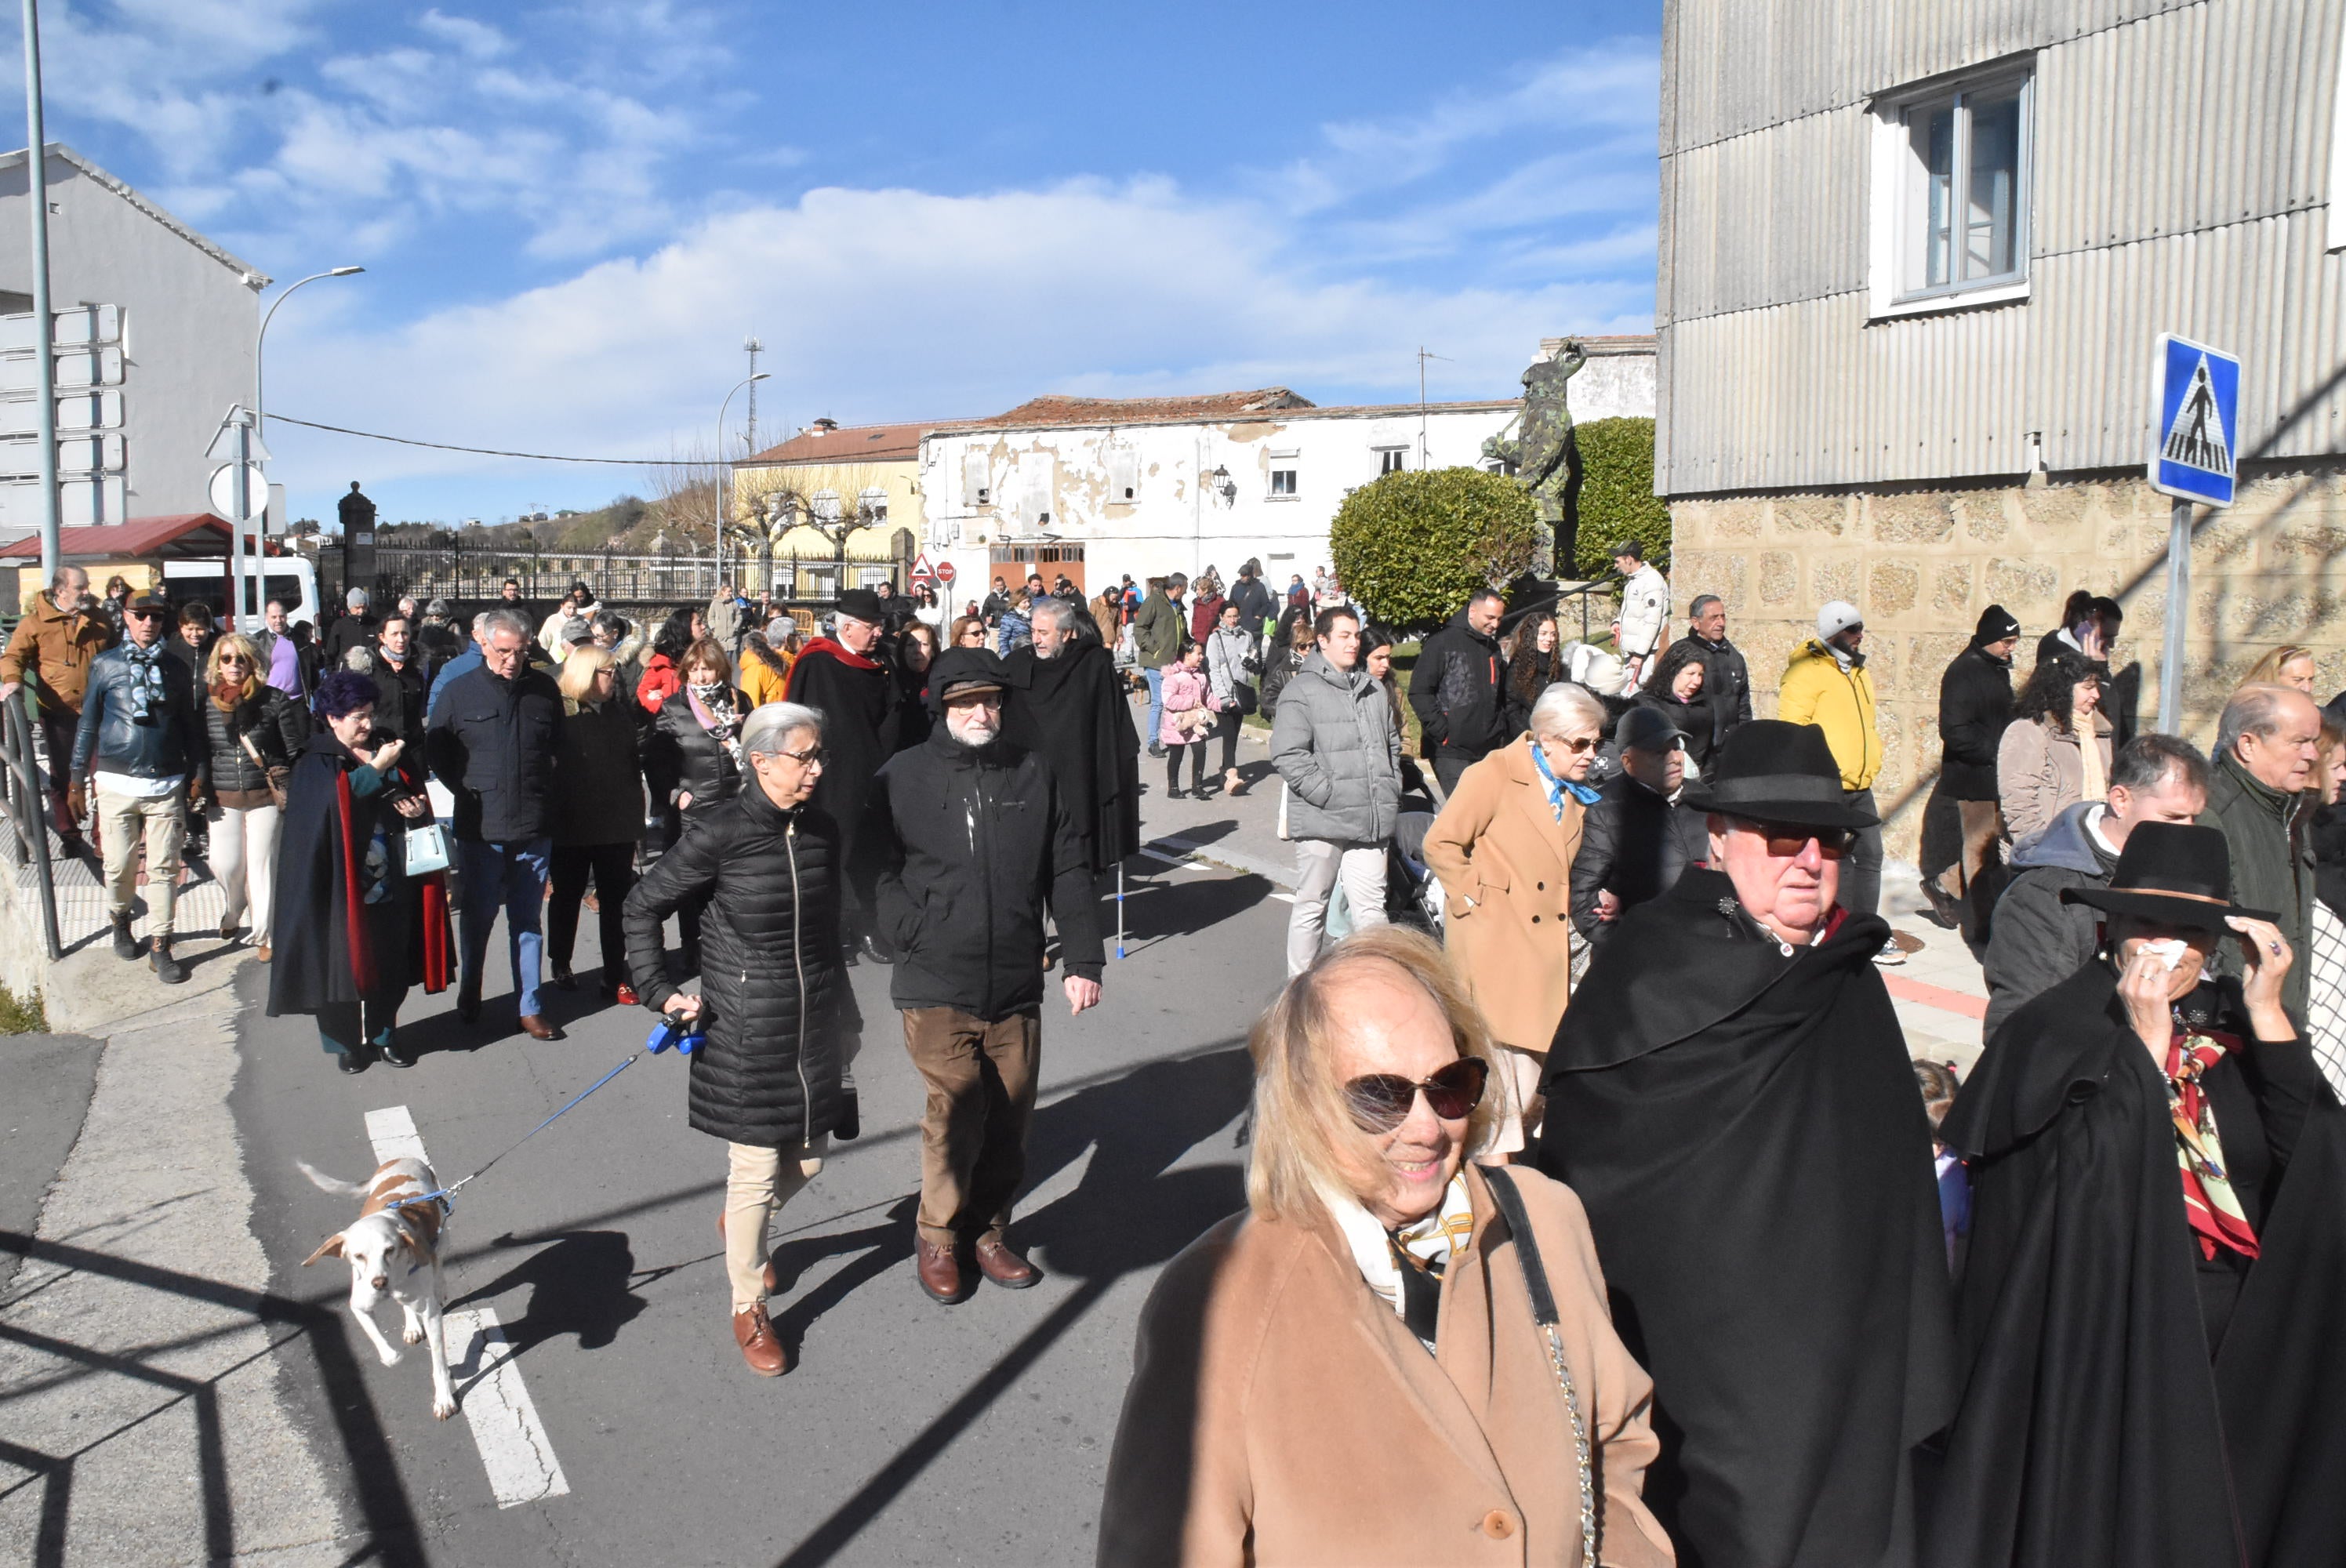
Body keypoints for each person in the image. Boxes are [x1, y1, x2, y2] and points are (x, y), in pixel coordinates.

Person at [1097, 925, 1675, 1568]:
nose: (1427, 1128)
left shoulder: (1545, 1218)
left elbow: (1615, 1443)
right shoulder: (1219, 1297)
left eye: (1449, 1084)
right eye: (1380, 1096)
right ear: (1305, 1106)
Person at [1538, 720, 1953, 1567]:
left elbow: (1893, 1172)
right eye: (1781, 837)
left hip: (1850, 1351)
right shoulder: (1647, 967)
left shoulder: (1846, 976)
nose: (1808, 859)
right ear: (1720, 838)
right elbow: (1592, 1171)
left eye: (1829, 841)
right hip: (1705, 1371)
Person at [1931, 822, 2346, 1568]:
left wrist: (2271, 1012)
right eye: (2147, 922)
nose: (2165, 946)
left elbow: (2316, 1163)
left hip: (2236, 1343)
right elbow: (2090, 1192)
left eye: (2188, 929)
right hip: (2109, 1343)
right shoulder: (2055, 1033)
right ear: (2109, 925)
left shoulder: (2232, 1026)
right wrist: (2146, 1051)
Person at [863, 648, 1103, 1303]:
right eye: (966, 701)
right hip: (936, 979)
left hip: (1016, 980)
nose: (981, 712)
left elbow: (1069, 869)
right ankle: (938, 1235)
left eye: (991, 700)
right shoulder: (901, 776)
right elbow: (872, 868)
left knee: (1011, 1115)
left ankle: (988, 1231)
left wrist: (1083, 958)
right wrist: (906, 929)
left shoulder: (1033, 772)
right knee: (957, 1105)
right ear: (941, 705)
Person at [623, 702, 853, 1374]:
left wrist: (849, 1016)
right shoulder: (718, 831)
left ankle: (742, 1230)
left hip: (814, 1023)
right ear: (759, 761)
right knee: (753, 1171)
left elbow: (827, 931)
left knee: (809, 1160)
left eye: (819, 757)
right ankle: (748, 1303)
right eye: (803, 757)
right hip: (743, 1025)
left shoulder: (821, 831)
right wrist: (661, 991)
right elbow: (643, 905)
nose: (815, 769)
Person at [1422, 682, 1603, 1156]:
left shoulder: (1575, 792)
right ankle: (1495, 1193)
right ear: (1546, 739)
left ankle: (1494, 1173)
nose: (1590, 754)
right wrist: (1473, 899)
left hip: (1545, 952)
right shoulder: (1496, 773)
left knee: (1530, 1083)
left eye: (1596, 743)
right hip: (1497, 946)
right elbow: (1440, 843)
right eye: (1579, 743)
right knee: (1503, 1079)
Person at [266, 670, 446, 1072]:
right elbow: (336, 804)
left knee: (390, 961)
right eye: (355, 716)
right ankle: (345, 1043)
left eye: (368, 713)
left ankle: (384, 1034)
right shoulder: (317, 759)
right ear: (332, 718)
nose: (366, 723)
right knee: (339, 965)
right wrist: (378, 767)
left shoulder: (386, 745)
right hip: (338, 885)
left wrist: (416, 809)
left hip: (391, 877)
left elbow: (410, 789)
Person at [1981, 733, 2210, 1038]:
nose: (2187, 832)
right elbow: (2021, 1033)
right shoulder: (2046, 896)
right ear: (2121, 800)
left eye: (2194, 818)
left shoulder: (2185, 874)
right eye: (2173, 816)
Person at [427, 607, 564, 1041]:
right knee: (479, 917)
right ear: (483, 644)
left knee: (527, 921)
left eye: (519, 653)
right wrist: (471, 789)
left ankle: (530, 1005)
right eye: (503, 651)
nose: (511, 661)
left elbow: (558, 749)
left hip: (532, 824)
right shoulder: (457, 691)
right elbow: (439, 754)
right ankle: (472, 988)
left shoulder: (544, 690)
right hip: (480, 827)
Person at [72, 590, 205, 982]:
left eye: (157, 617)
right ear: (126, 617)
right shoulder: (105, 665)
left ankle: (161, 945)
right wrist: (76, 779)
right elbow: (88, 723)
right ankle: (120, 920)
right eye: (141, 615)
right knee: (119, 867)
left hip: (165, 783)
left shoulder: (177, 669)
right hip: (115, 782)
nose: (149, 623)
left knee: (165, 869)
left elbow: (190, 727)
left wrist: (198, 773)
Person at [1273, 607, 1400, 978]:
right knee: (1313, 904)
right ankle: (1301, 989)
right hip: (1321, 818)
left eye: (1357, 635)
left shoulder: (1373, 687)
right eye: (1344, 635)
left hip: (1370, 818)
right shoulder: (1302, 689)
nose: (1353, 642)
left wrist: (1390, 787)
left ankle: (1378, 985)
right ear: (1323, 641)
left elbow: (1391, 744)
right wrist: (1327, 793)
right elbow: (1287, 753)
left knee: (1372, 910)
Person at [785, 587, 902, 960]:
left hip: (876, 769)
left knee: (874, 851)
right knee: (834, 850)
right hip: (831, 774)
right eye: (872, 626)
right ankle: (835, 932)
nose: (879, 632)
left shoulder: (882, 661)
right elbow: (796, 717)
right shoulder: (818, 662)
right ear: (848, 627)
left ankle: (869, 927)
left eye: (880, 625)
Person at [1778, 598, 1896, 959]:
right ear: (1835, 632)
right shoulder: (1806, 670)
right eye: (1853, 629)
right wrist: (1815, 771)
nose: (1860, 636)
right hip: (1828, 782)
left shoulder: (1859, 671)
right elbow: (1792, 728)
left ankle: (1867, 927)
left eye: (1860, 628)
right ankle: (1840, 930)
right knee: (1836, 860)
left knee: (1872, 854)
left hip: (1861, 782)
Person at [2202, 683, 2322, 1026]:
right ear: (2249, 744)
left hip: (2282, 1018)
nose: (2313, 755)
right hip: (2234, 1024)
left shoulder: (2288, 808)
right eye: (2300, 742)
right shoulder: (2212, 814)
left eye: (2314, 742)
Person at [999, 596, 1141, 877]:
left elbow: (1110, 722)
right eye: (1033, 632)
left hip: (1078, 774)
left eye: (1043, 633)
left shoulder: (1091, 664)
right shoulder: (1017, 664)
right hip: (1030, 777)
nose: (1036, 640)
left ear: (1065, 633)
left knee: (1075, 866)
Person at [197, 633, 306, 957]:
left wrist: (293, 785)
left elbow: (292, 749)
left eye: (240, 659)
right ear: (217, 664)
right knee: (224, 864)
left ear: (253, 663)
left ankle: (265, 935)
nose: (234, 665)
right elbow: (202, 750)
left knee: (261, 867)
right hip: (223, 796)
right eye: (227, 659)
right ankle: (234, 908)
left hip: (264, 797)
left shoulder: (275, 700)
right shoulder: (206, 703)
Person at [645, 637, 750, 972]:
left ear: (721, 669)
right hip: (694, 808)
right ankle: (692, 945)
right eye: (695, 669)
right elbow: (656, 759)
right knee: (693, 884)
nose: (702, 676)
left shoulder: (738, 699)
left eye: (707, 669)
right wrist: (675, 793)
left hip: (736, 803)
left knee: (733, 881)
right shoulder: (674, 708)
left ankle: (729, 946)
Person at [548, 647, 643, 1004]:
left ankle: (614, 974)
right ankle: (561, 962)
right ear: (586, 674)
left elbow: (633, 766)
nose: (613, 677)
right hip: (572, 824)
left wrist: (636, 819)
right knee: (567, 896)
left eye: (613, 671)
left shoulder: (619, 712)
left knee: (616, 902)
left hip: (616, 825)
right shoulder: (563, 714)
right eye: (606, 672)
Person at [1571, 702, 1709, 949]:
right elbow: (1584, 899)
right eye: (1660, 752)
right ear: (1628, 762)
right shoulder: (1607, 810)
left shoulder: (1703, 798)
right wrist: (1627, 947)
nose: (1675, 759)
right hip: (1644, 952)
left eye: (1676, 747)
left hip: (1707, 944)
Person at [1925, 605, 2022, 928]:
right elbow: (1954, 730)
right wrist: (1995, 753)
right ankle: (1981, 923)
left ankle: (1943, 886)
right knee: (1980, 848)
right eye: (2007, 642)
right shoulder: (1964, 672)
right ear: (1990, 639)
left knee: (1991, 846)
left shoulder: (1994, 668)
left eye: (2014, 642)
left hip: (1995, 773)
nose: (2011, 648)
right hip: (1974, 777)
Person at [2, 564, 113, 840]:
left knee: (104, 777)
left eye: (87, 586)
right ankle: (69, 834)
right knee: (61, 776)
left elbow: (117, 654)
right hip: (58, 712)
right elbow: (13, 656)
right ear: (60, 591)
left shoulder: (98, 619)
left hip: (99, 711)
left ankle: (103, 840)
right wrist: (12, 680)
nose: (87, 592)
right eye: (80, 588)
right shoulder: (36, 621)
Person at [1996, 649, 2109, 844]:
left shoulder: (2099, 732)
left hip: (2090, 844)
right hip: (2046, 847)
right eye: (2088, 687)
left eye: (2096, 686)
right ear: (2062, 689)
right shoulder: (2028, 731)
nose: (2096, 694)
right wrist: (2040, 847)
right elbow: (2018, 801)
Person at [1408, 586, 1510, 794]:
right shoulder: (1442, 642)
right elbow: (1419, 692)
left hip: (1487, 749)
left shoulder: (1493, 649)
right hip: (1450, 751)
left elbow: (1499, 694)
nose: (1495, 624)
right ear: (1472, 611)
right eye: (1490, 617)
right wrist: (1442, 731)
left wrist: (1499, 730)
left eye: (1499, 619)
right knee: (1462, 815)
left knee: (1485, 815)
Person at [1661, 594, 1752, 758]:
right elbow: (1662, 697)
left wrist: (1745, 740)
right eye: (1714, 618)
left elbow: (1743, 706)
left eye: (1723, 617)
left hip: (1728, 750)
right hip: (1692, 750)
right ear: (1696, 622)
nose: (1721, 623)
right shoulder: (1681, 653)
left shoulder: (1733, 656)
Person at [1630, 643, 1714, 773]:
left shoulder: (1704, 704)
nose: (1697, 681)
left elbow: (1709, 751)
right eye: (1691, 673)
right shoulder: (1645, 703)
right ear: (1673, 672)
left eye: (1700, 675)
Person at [1202, 600, 1257, 796]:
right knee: (1228, 735)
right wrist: (1223, 696)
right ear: (1222, 617)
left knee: (1233, 735)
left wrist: (1252, 663)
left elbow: (1253, 658)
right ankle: (1232, 777)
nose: (1233, 620)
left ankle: (1224, 772)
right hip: (1223, 693)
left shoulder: (1247, 636)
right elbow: (1213, 669)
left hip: (1241, 691)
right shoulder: (1215, 638)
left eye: (1235, 616)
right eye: (1229, 616)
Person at [1131, 572, 1189, 754]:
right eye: (1185, 589)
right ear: (1178, 588)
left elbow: (1182, 632)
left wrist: (1192, 646)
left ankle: (1172, 735)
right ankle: (1153, 742)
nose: (1186, 593)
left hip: (1174, 662)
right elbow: (1140, 628)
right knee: (1158, 702)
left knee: (1173, 701)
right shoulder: (1154, 602)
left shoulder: (1178, 606)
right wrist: (1154, 648)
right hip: (1157, 662)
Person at [1609, 540, 1670, 693]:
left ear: (1628, 559)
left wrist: (1639, 654)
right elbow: (1633, 611)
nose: (1615, 566)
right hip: (1635, 654)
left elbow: (1652, 621)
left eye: (1618, 561)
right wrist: (1618, 622)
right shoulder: (1634, 580)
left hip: (1646, 656)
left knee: (1638, 696)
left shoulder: (1651, 581)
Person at [1157, 642, 1216, 798]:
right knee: (1176, 755)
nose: (1202, 657)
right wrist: (1190, 701)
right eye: (1199, 654)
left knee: (1200, 750)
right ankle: (1173, 787)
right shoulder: (1174, 677)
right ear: (1187, 655)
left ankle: (1197, 786)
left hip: (1196, 723)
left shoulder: (1201, 676)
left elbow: (1208, 698)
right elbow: (1169, 701)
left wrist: (1222, 706)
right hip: (1178, 724)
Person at [366, 612, 430, 750]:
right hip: (378, 746)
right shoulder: (368, 666)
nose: (401, 639)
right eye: (394, 634)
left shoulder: (419, 664)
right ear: (382, 637)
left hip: (413, 747)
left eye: (405, 633)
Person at [1501, 612, 1563, 735]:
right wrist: (1530, 736)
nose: (1549, 639)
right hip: (1527, 736)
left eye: (1553, 634)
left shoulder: (1559, 667)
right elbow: (1511, 709)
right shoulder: (1517, 668)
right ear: (1532, 635)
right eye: (1543, 634)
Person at [634, 608, 696, 717]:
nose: (704, 627)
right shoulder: (663, 662)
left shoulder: (708, 655)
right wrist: (664, 710)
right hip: (676, 724)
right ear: (684, 629)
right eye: (698, 624)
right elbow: (644, 693)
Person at [1258, 614, 1313, 719]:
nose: (1307, 650)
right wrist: (1289, 713)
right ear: (1295, 646)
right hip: (1292, 723)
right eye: (1303, 646)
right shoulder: (1283, 670)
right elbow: (1268, 699)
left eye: (1311, 645)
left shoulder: (1321, 666)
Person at [894, 622, 938, 749]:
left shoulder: (941, 680)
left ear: (933, 650)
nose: (917, 650)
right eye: (911, 645)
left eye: (924, 644)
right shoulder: (894, 681)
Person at [254, 599, 308, 700]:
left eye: (282, 616)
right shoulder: (258, 640)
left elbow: (310, 668)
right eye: (274, 617)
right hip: (271, 700)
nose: (278, 621)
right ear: (267, 617)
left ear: (286, 616)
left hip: (298, 699)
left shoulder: (300, 637)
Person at [738, 621, 793, 709]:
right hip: (770, 716)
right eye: (795, 636)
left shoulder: (785, 660)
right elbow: (751, 703)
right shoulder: (756, 666)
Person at [322, 587, 380, 668]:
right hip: (346, 674)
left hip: (370, 673)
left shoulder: (375, 624)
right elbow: (331, 653)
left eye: (364, 607)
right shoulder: (339, 625)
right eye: (357, 607)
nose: (361, 611)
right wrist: (332, 674)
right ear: (349, 607)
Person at [537, 582, 596, 659]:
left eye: (575, 608)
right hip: (555, 663)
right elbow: (543, 643)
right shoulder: (553, 620)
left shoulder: (583, 621)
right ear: (562, 606)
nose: (572, 611)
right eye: (569, 608)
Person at [1227, 556, 1274, 642]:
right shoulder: (1236, 587)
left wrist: (1258, 616)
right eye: (1241, 575)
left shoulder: (1259, 587)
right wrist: (1234, 617)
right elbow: (1231, 604)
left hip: (1255, 627)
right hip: (1239, 625)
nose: (1242, 577)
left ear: (1250, 575)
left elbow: (1266, 604)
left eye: (1244, 575)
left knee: (1255, 653)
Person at [2243, 642, 2318, 695]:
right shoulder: (2252, 713)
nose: (2307, 688)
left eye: (2310, 680)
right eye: (2298, 680)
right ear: (2274, 676)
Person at [415, 599, 463, 668]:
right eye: (431, 615)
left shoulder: (453, 625)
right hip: (428, 661)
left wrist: (443, 648)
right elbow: (419, 644)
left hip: (446, 661)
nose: (434, 618)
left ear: (443, 613)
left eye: (437, 615)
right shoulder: (425, 624)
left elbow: (459, 648)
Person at [1188, 568, 1225, 645]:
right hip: (1199, 638)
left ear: (1205, 590)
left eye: (1198, 590)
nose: (1196, 592)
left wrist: (1219, 628)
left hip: (1214, 638)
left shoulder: (1219, 601)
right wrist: (1194, 632)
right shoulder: (1197, 602)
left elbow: (1224, 617)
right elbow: (1195, 618)